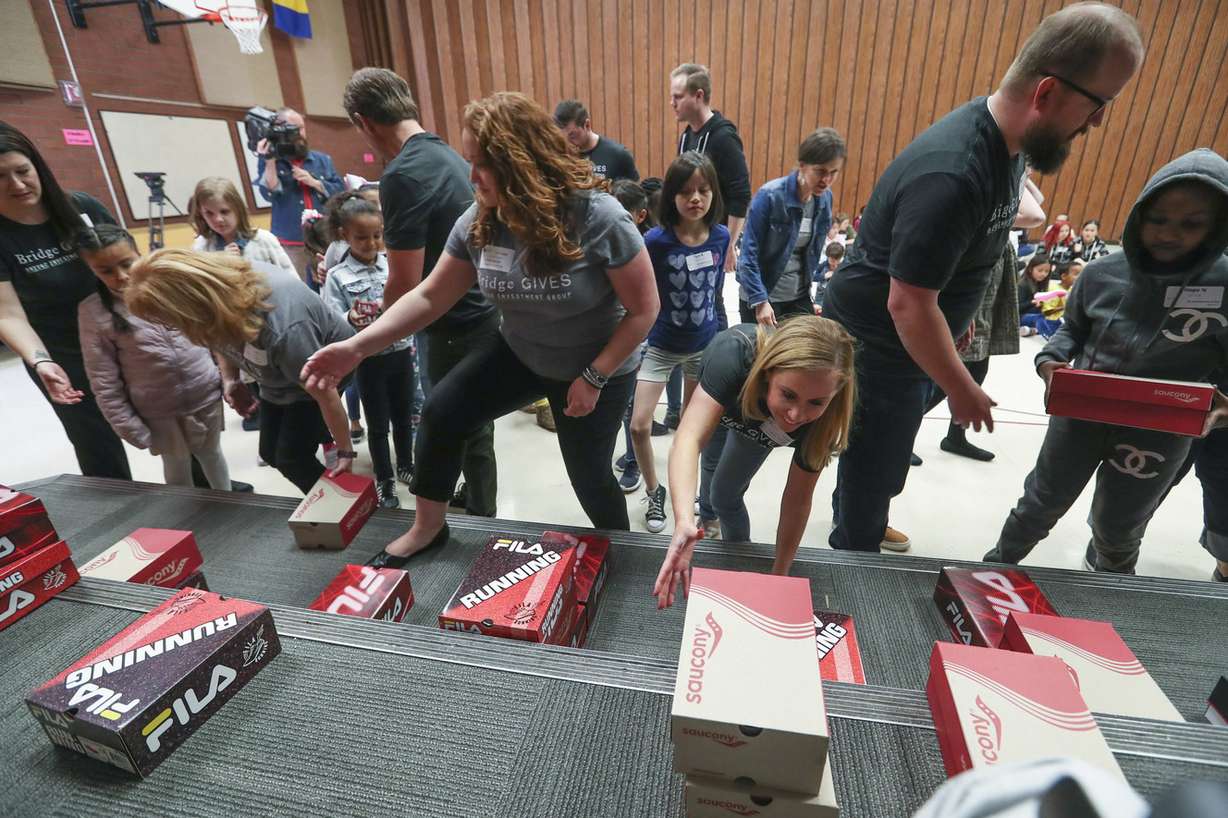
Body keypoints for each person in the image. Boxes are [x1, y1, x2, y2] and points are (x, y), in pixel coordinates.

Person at [821, 3, 1144, 553]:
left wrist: (960, 319)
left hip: (919, 339)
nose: (1097, 123)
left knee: (885, 451)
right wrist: (961, 386)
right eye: (1098, 105)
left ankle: (865, 511)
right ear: (1045, 94)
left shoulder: (1009, 145)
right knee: (877, 460)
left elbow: (972, 249)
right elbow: (908, 306)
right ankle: (857, 545)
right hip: (882, 343)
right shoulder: (953, 173)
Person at [303, 92, 658, 567]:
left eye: (480, 164)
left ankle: (625, 556)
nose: (470, 177)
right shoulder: (479, 221)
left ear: (521, 163)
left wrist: (595, 377)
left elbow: (643, 310)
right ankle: (427, 528)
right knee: (445, 409)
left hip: (595, 363)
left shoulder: (597, 217)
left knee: (590, 477)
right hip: (522, 351)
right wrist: (357, 348)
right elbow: (430, 296)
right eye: (468, 161)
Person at [985, 148, 1228, 574]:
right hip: (1081, 415)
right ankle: (992, 570)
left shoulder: (1224, 284)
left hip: (1160, 431)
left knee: (1118, 525)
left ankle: (1115, 595)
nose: (1170, 234)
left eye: (1191, 224)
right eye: (1159, 219)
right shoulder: (1100, 274)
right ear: (1140, 215)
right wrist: (1050, 361)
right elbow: (1070, 331)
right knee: (1040, 503)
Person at [343, 67, 500, 518]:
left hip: (449, 324)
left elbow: (405, 280)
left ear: (363, 121)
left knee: (450, 425)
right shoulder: (447, 154)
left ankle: (477, 519)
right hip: (482, 312)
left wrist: (381, 334)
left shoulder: (402, 174)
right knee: (476, 425)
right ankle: (480, 504)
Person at [652, 316, 857, 607]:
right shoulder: (733, 354)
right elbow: (688, 438)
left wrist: (780, 574)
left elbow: (797, 499)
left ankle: (737, 557)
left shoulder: (825, 420)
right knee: (708, 472)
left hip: (757, 424)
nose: (796, 416)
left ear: (834, 395)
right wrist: (683, 520)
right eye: (788, 394)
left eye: (816, 402)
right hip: (728, 396)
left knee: (723, 494)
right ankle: (703, 521)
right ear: (768, 373)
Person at [124, 249, 357, 494]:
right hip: (277, 374)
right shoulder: (214, 303)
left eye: (169, 321)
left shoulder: (283, 326)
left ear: (188, 306)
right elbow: (219, 336)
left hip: (317, 370)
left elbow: (325, 392)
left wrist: (345, 450)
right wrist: (231, 379)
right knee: (270, 453)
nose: (170, 328)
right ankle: (331, 503)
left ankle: (342, 505)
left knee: (292, 459)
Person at [0, 121, 130, 479]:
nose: (17, 184)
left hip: (122, 336)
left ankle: (206, 486)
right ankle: (122, 512)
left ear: (37, 167)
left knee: (168, 415)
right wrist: (40, 361)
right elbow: (7, 314)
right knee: (95, 443)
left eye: (23, 171)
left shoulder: (81, 208)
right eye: (1, 177)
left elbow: (132, 266)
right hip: (62, 354)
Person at [76, 225, 231, 490]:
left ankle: (233, 508)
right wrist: (127, 425)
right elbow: (103, 379)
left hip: (204, 395)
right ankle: (191, 519)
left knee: (212, 454)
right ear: (91, 270)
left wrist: (226, 378)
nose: (121, 276)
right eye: (106, 271)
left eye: (127, 263)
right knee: (177, 465)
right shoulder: (93, 312)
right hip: (159, 412)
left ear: (139, 253)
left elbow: (209, 333)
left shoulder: (172, 286)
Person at [631, 152, 729, 533]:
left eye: (703, 190)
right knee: (639, 425)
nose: (695, 199)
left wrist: (720, 340)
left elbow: (716, 291)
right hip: (661, 343)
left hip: (703, 346)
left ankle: (693, 500)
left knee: (693, 433)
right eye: (686, 191)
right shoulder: (655, 241)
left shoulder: (720, 235)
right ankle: (654, 491)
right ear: (671, 195)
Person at [320, 194, 414, 510]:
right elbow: (331, 317)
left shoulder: (393, 265)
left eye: (377, 235)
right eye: (361, 237)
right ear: (344, 236)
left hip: (402, 351)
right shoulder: (337, 276)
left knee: (404, 417)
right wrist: (349, 318)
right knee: (377, 423)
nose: (371, 243)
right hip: (369, 360)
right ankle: (384, 479)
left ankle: (406, 465)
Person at [738, 128, 846, 326]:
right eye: (820, 171)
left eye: (833, 172)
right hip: (761, 296)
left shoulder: (824, 199)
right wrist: (761, 302)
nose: (826, 180)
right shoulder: (769, 196)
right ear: (802, 166)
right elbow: (747, 256)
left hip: (797, 295)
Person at [670, 63, 751, 286]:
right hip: (689, 235)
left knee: (710, 299)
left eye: (678, 97)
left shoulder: (724, 137)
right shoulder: (687, 137)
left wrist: (729, 246)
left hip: (712, 239)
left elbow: (740, 195)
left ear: (698, 96)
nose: (672, 103)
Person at [257, 108, 344, 281]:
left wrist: (316, 183)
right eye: (294, 128)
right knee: (299, 284)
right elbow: (269, 193)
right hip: (291, 243)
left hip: (324, 237)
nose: (300, 133)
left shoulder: (322, 159)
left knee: (332, 282)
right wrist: (269, 162)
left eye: (302, 128)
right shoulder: (270, 160)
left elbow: (340, 190)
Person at [610, 178, 653, 494]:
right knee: (621, 403)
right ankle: (631, 455)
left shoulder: (647, 245)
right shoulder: (605, 240)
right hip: (615, 334)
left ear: (640, 215)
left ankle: (636, 463)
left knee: (633, 408)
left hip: (642, 335)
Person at [189, 176, 297, 279]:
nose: (218, 219)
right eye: (209, 213)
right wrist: (220, 262)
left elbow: (292, 280)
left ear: (238, 209)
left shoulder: (264, 240)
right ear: (201, 215)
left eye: (224, 211)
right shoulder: (201, 247)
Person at [554, 100, 639, 181]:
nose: (567, 142)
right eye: (562, 137)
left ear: (587, 125)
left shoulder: (619, 155)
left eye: (572, 135)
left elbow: (634, 193)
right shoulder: (560, 157)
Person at [1017, 251, 1053, 333]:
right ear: (1030, 269)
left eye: (1046, 271)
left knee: (1052, 317)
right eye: (1040, 271)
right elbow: (1016, 307)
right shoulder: (1023, 285)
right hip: (1020, 317)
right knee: (1040, 319)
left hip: (1033, 314)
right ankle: (1035, 330)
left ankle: (1033, 330)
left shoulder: (1040, 285)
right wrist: (1032, 302)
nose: (1043, 274)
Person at [813, 241, 844, 307]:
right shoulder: (823, 265)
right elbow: (813, 277)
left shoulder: (843, 266)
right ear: (828, 256)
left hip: (836, 295)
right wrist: (824, 276)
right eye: (832, 260)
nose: (834, 262)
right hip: (821, 295)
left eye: (837, 260)